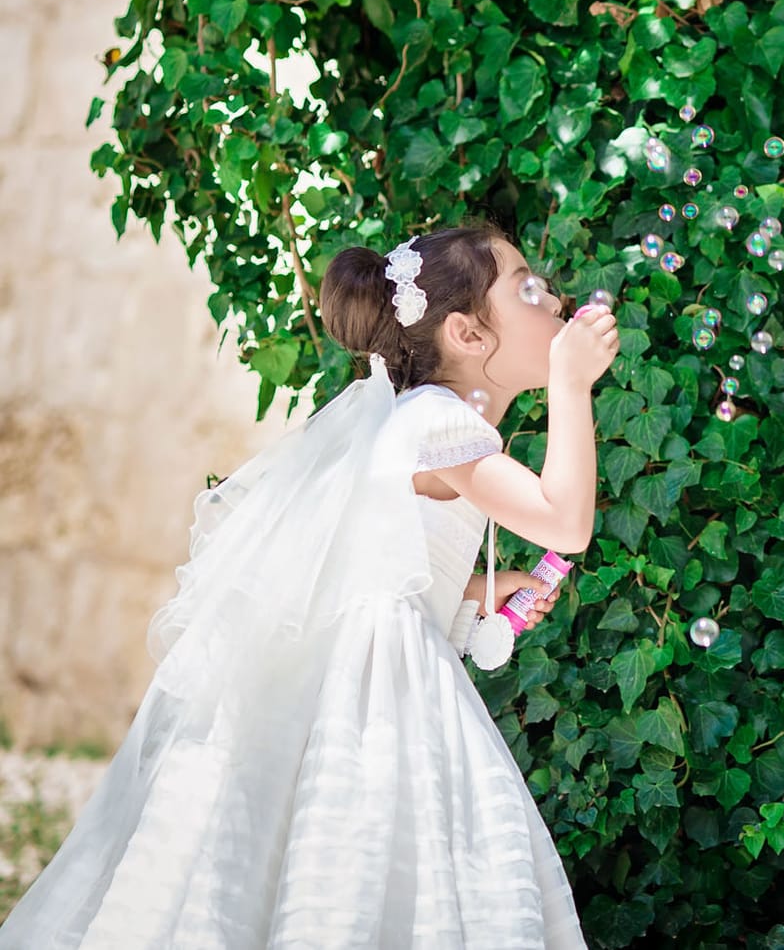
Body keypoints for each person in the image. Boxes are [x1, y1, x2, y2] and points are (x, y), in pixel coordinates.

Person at [0, 225, 618, 948]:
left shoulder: (418, 418)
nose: (554, 296)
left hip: (370, 662)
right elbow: (565, 522)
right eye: (526, 285)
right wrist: (573, 384)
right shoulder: (443, 418)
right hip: (378, 698)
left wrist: (482, 592)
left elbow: (378, 570)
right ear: (467, 332)